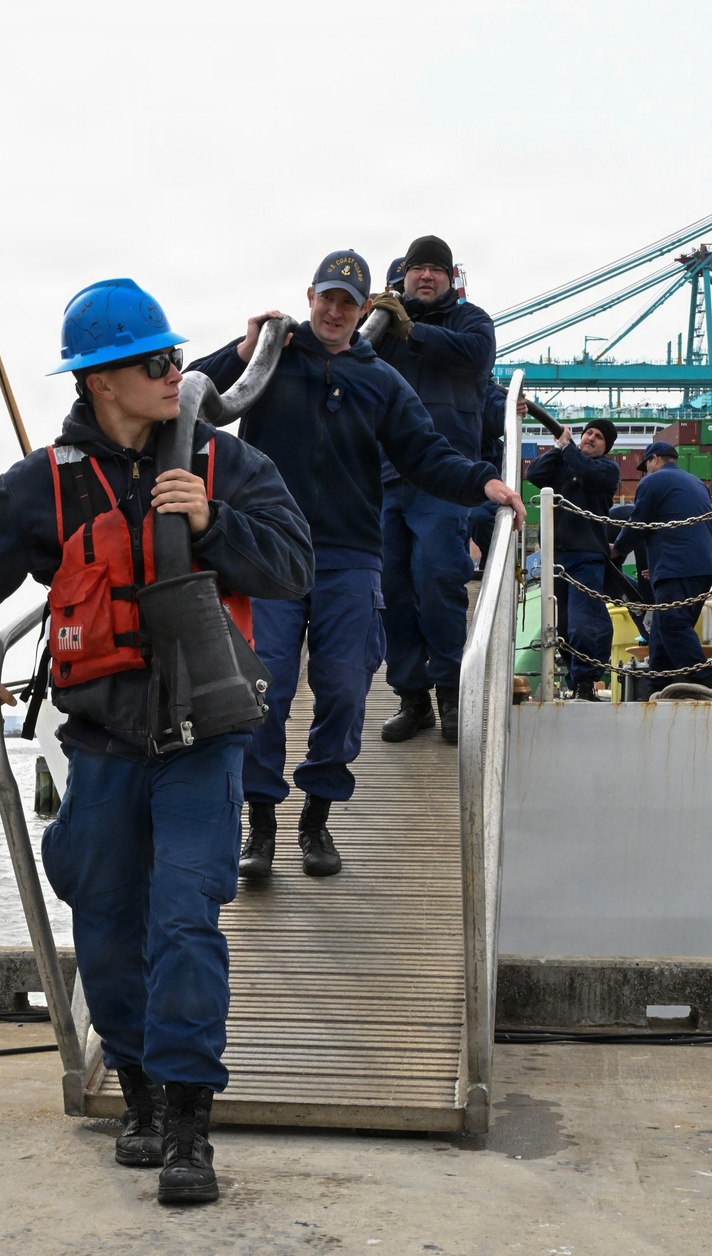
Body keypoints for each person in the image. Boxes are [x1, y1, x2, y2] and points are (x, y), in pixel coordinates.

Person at [0, 279, 314, 1208]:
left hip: (203, 739)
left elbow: (296, 562)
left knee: (185, 919)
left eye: (177, 359)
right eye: (156, 362)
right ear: (101, 381)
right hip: (93, 740)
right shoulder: (45, 481)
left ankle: (188, 1124)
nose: (177, 373)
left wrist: (213, 523)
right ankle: (134, 1090)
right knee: (102, 921)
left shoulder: (224, 463)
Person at [189, 250, 525, 880]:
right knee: (265, 691)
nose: (335, 311)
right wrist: (241, 347)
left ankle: (317, 818)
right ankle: (258, 825)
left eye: (349, 301)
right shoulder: (270, 359)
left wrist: (485, 483)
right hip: (268, 554)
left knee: (344, 688)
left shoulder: (381, 381)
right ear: (309, 296)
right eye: (326, 298)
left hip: (350, 557)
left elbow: (426, 455)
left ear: (365, 308)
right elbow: (195, 397)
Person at [370, 235, 497, 744]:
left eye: (435, 270)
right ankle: (412, 699)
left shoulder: (471, 320)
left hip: (444, 476)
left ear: (450, 278)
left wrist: (412, 329)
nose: (425, 276)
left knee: (439, 582)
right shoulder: (381, 328)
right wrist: (373, 322)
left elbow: (475, 358)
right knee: (392, 592)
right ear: (402, 278)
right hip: (386, 476)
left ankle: (450, 696)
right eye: (417, 268)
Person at [525, 419, 620, 699]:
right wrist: (558, 447)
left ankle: (585, 682)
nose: (590, 438)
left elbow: (585, 470)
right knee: (562, 626)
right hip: (555, 558)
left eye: (599, 437)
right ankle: (574, 679)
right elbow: (534, 473)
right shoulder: (564, 461)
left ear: (607, 447)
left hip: (587, 557)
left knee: (583, 622)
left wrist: (567, 447)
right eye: (588, 433)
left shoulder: (607, 469)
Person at [630, 441, 712, 687]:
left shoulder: (651, 482)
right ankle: (658, 686)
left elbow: (638, 523)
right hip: (702, 568)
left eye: (646, 466)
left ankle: (705, 683)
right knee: (662, 631)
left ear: (654, 458)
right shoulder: (697, 483)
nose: (645, 473)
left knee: (671, 625)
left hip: (675, 567)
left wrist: (616, 549)